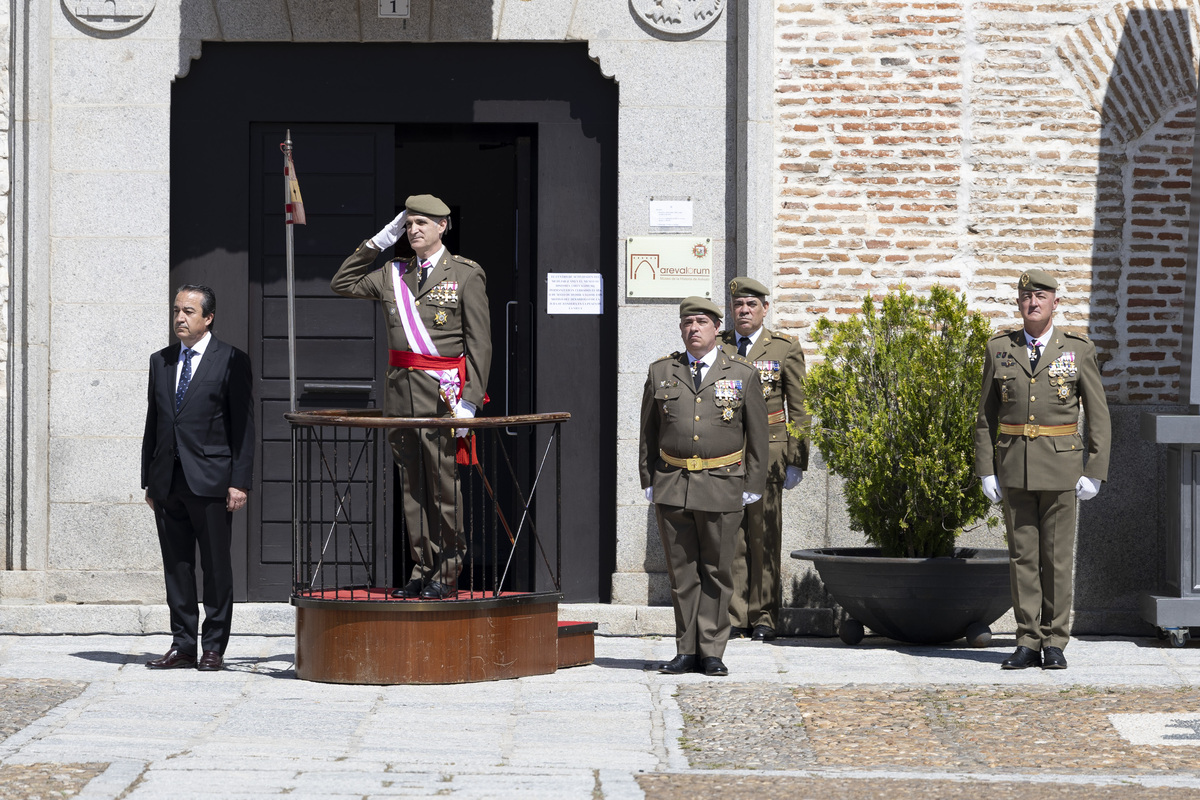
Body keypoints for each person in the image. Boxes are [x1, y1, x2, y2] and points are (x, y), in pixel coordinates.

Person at [331, 195, 492, 600]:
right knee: (412, 486)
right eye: (407, 224)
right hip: (401, 395)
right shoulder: (392, 273)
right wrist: (378, 241)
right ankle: (423, 566)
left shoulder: (466, 275)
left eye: (422, 222)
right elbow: (342, 283)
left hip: (442, 396)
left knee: (443, 485)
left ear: (443, 226)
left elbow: (480, 344)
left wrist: (470, 401)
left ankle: (449, 568)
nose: (414, 229)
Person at [974, 268, 1110, 670]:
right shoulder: (1000, 348)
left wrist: (1095, 469)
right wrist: (986, 469)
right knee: (1022, 558)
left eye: (1040, 296)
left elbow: (1099, 415)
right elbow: (985, 415)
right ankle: (1027, 640)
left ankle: (1055, 641)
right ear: (1019, 304)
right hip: (1014, 465)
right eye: (1025, 297)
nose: (1032, 303)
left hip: (1063, 465)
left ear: (1055, 302)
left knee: (1057, 559)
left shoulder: (1078, 350)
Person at [640, 297, 768, 677]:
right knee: (682, 573)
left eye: (700, 322)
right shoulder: (662, 371)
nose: (693, 328)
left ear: (716, 328)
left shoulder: (742, 374)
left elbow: (757, 435)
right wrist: (648, 478)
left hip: (722, 484)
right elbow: (648, 432)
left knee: (716, 571)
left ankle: (712, 650)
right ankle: (686, 649)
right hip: (673, 484)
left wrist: (752, 483)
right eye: (686, 323)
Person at [141, 285, 255, 671]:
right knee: (177, 566)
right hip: (168, 482)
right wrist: (149, 481)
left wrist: (239, 481)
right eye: (176, 310)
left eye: (188, 311)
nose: (179, 318)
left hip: (211, 480)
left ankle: (213, 647)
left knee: (216, 566)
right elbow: (153, 424)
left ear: (208, 318)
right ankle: (183, 643)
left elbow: (243, 427)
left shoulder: (231, 361)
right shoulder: (161, 361)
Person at [719, 277, 809, 642]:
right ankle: (736, 616)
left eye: (751, 304)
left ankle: (765, 618)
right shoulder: (720, 346)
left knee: (764, 537)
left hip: (769, 456)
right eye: (738, 305)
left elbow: (799, 409)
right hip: (727, 456)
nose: (744, 311)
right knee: (733, 539)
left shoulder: (784, 348)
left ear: (764, 309)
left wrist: (796, 460)